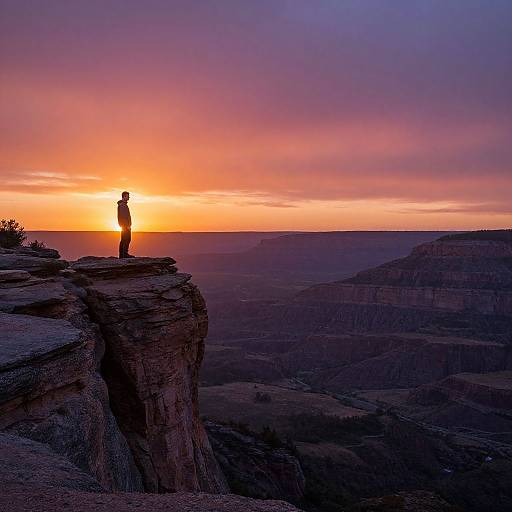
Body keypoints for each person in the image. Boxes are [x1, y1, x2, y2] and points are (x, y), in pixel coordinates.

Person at [117, 191, 134, 258]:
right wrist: (127, 226)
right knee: (127, 239)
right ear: (124, 196)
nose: (128, 198)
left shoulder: (123, 205)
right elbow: (123, 217)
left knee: (124, 239)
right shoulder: (122, 205)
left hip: (124, 226)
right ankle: (124, 254)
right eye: (127, 196)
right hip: (125, 226)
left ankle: (122, 255)